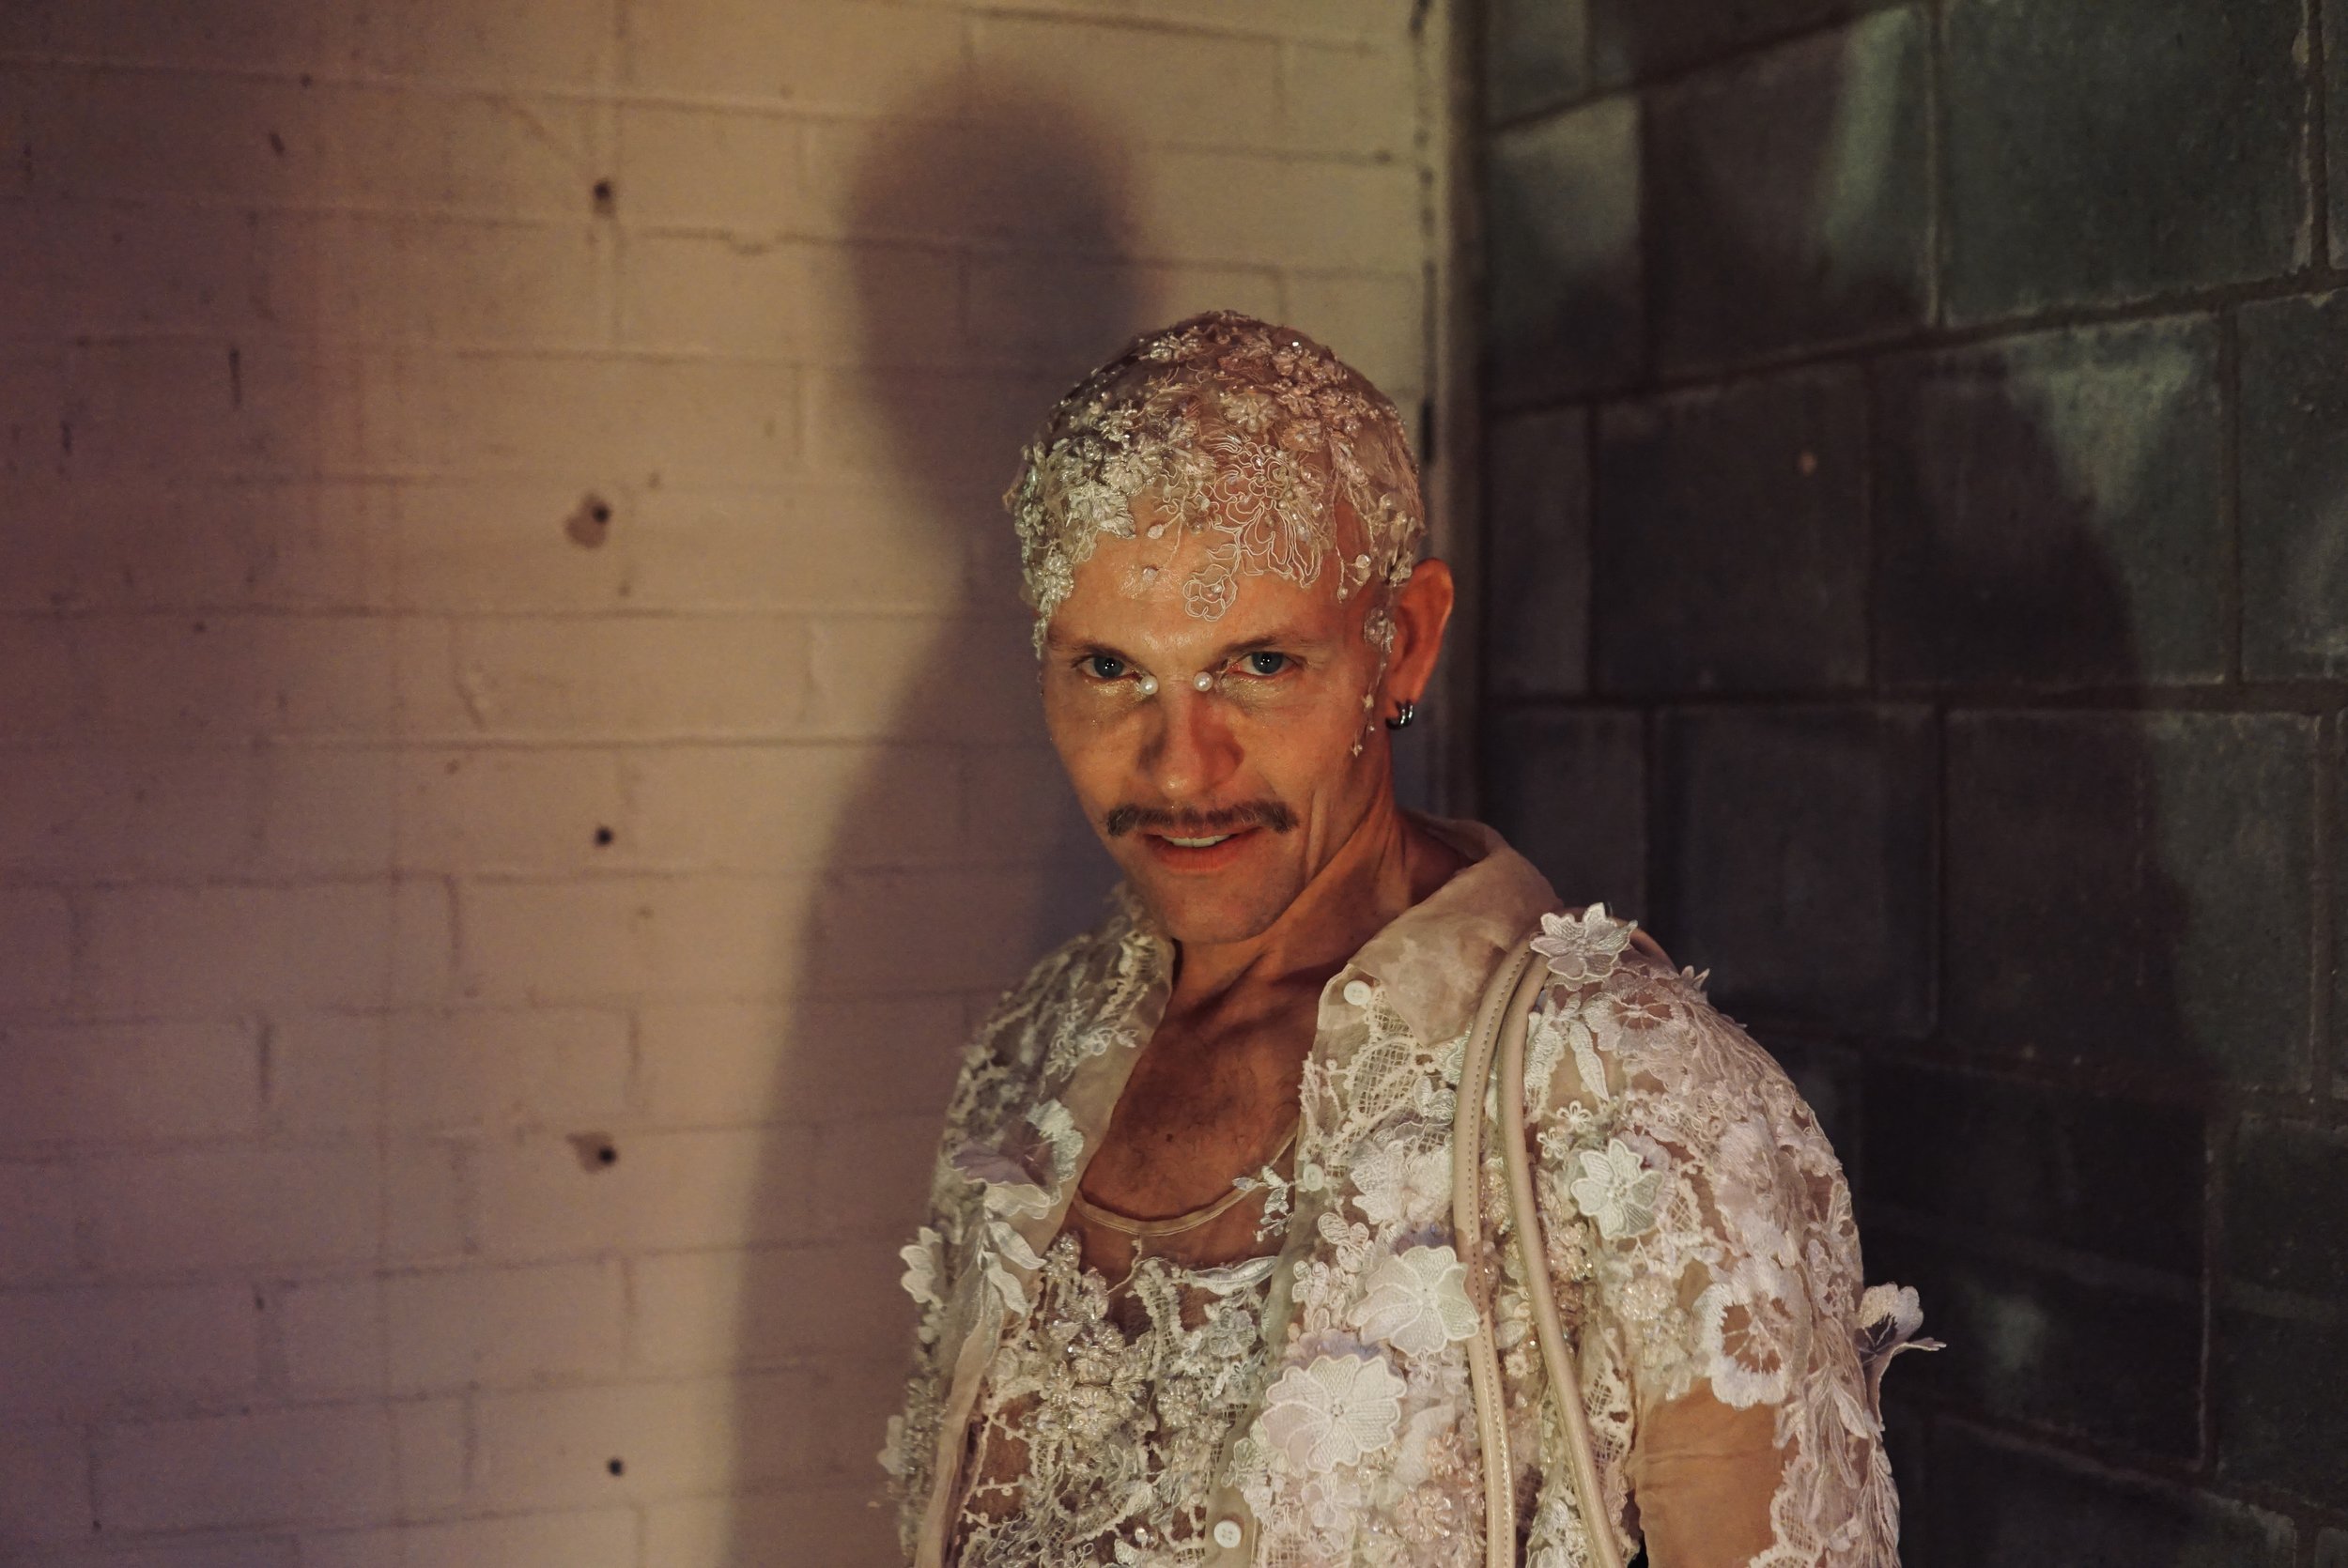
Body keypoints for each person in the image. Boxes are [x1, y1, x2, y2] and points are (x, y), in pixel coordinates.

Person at [880, 312, 1930, 1567]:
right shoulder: (1034, 1049)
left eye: (1259, 662)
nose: (1179, 765)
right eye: (1110, 667)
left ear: (1405, 642)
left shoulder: (1633, 1099)